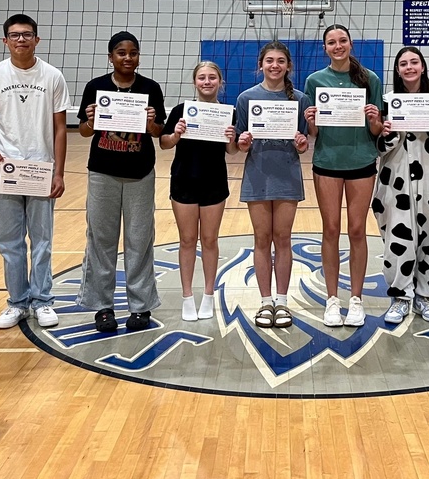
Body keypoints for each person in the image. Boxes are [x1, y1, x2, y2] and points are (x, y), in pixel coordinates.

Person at [0, 14, 70, 330]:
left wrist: (58, 172)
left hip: (41, 168)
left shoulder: (53, 76)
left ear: (37, 40)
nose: (20, 40)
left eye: (27, 34)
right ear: (5, 41)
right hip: (7, 169)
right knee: (9, 240)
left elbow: (60, 128)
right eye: (14, 35)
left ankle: (43, 301)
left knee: (42, 239)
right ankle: (17, 302)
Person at [76, 32, 166, 333]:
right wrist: (90, 119)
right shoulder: (96, 87)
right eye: (121, 52)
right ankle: (102, 307)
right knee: (101, 240)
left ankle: (140, 308)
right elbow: (86, 132)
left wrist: (152, 120)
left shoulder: (150, 88)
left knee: (139, 241)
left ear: (139, 56)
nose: (127, 57)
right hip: (103, 173)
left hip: (140, 173)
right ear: (110, 56)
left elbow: (156, 132)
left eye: (133, 52)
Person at [304, 25, 384, 329]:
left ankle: (356, 300)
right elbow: (314, 133)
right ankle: (332, 300)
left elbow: (375, 131)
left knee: (357, 230)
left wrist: (375, 120)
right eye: (331, 42)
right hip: (327, 161)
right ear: (325, 48)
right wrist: (311, 122)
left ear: (350, 44)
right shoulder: (315, 80)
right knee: (331, 230)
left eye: (342, 41)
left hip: (361, 161)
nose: (337, 46)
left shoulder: (370, 79)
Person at [374, 47, 429, 324]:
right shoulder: (387, 102)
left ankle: (424, 296)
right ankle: (400, 296)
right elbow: (378, 148)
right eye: (403, 63)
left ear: (422, 67)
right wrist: (390, 132)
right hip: (395, 180)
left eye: (414, 62)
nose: (409, 67)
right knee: (397, 239)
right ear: (397, 70)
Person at [236, 42, 310, 329]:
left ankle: (282, 301)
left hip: (287, 175)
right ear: (261, 65)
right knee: (261, 239)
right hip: (257, 174)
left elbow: (303, 142)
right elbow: (241, 141)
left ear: (288, 66)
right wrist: (242, 143)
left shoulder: (300, 99)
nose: (275, 65)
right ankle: (265, 302)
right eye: (269, 60)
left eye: (281, 61)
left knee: (283, 239)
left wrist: (303, 144)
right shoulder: (246, 98)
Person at [161, 61, 237, 322]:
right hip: (184, 180)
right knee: (186, 240)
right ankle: (186, 297)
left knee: (210, 240)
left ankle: (207, 295)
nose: (207, 82)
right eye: (202, 77)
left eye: (212, 77)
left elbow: (232, 151)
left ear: (220, 82)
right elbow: (164, 143)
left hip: (214, 182)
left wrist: (232, 137)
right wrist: (176, 134)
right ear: (195, 82)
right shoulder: (182, 110)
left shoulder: (228, 112)